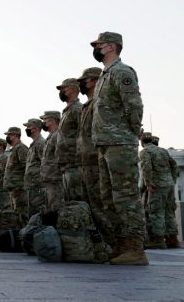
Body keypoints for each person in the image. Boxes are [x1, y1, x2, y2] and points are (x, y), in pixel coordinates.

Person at [91, 31, 147, 265]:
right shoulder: (106, 75)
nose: (96, 49)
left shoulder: (122, 72)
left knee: (125, 196)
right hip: (105, 142)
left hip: (120, 142)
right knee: (108, 197)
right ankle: (121, 245)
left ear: (111, 47)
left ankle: (135, 248)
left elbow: (134, 106)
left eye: (99, 45)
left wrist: (130, 133)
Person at [77, 67, 117, 246]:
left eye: (83, 80)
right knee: (92, 205)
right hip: (85, 162)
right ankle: (105, 243)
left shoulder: (98, 102)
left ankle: (113, 243)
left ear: (93, 81)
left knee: (101, 204)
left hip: (95, 160)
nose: (81, 84)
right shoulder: (87, 105)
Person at [139, 132, 179, 249]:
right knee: (169, 211)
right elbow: (174, 165)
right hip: (169, 185)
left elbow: (146, 168)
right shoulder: (163, 150)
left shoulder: (145, 152)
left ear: (142, 142)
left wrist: (149, 183)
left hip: (157, 186)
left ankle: (158, 240)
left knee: (155, 211)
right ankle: (173, 239)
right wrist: (172, 179)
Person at [55, 78, 84, 202]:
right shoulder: (67, 111)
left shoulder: (77, 109)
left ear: (72, 89)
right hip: (66, 164)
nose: (61, 92)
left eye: (63, 89)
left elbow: (84, 133)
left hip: (74, 163)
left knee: (76, 200)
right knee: (69, 200)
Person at [3, 127, 28, 224]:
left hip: (19, 187)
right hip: (14, 187)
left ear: (15, 135)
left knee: (21, 213)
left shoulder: (21, 148)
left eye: (9, 135)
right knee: (16, 213)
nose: (7, 137)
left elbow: (25, 165)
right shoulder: (14, 149)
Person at [39, 111, 63, 213]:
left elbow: (60, 156)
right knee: (50, 209)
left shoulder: (58, 135)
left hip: (55, 179)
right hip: (49, 178)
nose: (43, 123)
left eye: (44, 120)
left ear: (52, 121)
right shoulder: (50, 137)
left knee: (56, 208)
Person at [23, 118, 46, 218]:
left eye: (28, 127)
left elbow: (45, 163)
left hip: (38, 186)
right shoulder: (34, 144)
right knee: (32, 213)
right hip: (32, 185)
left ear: (35, 128)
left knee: (38, 213)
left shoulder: (40, 143)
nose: (27, 129)